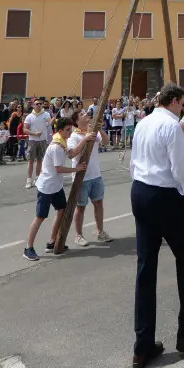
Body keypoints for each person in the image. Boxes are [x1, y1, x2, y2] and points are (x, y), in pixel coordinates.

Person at [129, 82, 184, 368]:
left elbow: (134, 163)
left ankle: (142, 346)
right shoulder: (171, 126)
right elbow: (180, 171)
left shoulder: (143, 122)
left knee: (145, 268)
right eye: (183, 103)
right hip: (166, 196)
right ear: (176, 101)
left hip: (140, 191)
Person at [23, 118, 88, 262]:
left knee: (62, 210)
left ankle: (52, 242)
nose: (70, 131)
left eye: (71, 129)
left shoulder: (61, 142)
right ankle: (28, 248)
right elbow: (59, 169)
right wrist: (76, 169)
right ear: (60, 130)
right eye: (67, 129)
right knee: (40, 217)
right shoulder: (56, 146)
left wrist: (84, 140)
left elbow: (71, 153)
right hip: (46, 187)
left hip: (55, 186)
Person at [69, 110, 113, 247]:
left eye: (86, 114)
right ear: (76, 121)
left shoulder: (94, 131)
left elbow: (106, 142)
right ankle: (78, 235)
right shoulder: (74, 136)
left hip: (96, 175)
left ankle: (100, 232)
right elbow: (71, 154)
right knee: (80, 207)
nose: (86, 115)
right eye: (82, 115)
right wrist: (85, 139)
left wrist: (100, 130)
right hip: (81, 177)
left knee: (98, 203)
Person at [24, 99, 52, 189]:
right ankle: (29, 180)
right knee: (31, 160)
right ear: (33, 105)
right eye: (37, 104)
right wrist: (34, 133)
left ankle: (37, 178)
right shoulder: (29, 117)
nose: (39, 105)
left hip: (43, 140)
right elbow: (25, 129)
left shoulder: (46, 114)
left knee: (40, 160)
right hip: (32, 140)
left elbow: (49, 121)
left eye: (40, 104)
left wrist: (52, 121)